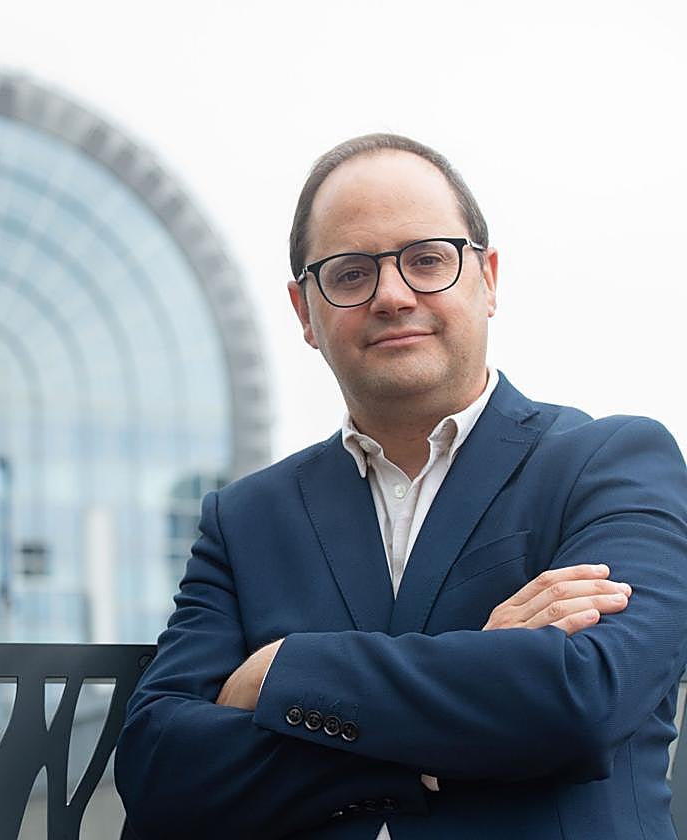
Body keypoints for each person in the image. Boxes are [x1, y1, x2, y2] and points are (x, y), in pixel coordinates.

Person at [114, 133, 687, 839]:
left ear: (489, 279)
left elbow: (583, 699)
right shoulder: (247, 519)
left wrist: (282, 673)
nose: (393, 294)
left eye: (426, 261)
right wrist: (453, 713)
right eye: (352, 273)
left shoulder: (613, 463)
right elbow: (160, 767)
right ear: (305, 312)